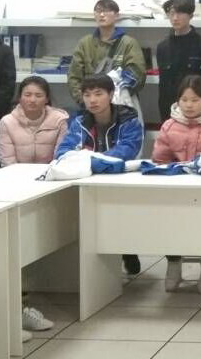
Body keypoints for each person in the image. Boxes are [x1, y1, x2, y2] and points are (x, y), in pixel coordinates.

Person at [57, 74, 144, 275]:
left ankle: (127, 250)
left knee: (119, 218)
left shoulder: (129, 120)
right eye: (87, 95)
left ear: (111, 94)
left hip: (120, 182)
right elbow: (63, 152)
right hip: (88, 182)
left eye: (98, 94)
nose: (92, 100)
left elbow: (126, 151)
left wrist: (88, 160)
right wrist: (96, 162)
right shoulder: (79, 122)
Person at [152, 75, 201, 293]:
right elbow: (159, 159)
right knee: (169, 221)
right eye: (184, 100)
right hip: (176, 189)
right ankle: (173, 264)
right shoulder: (169, 125)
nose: (189, 105)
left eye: (195, 100)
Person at [66, 0, 146, 109]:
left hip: (120, 104)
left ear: (117, 15)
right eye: (98, 11)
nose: (102, 14)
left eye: (107, 11)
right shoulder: (85, 43)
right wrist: (84, 100)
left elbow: (137, 75)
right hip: (91, 105)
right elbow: (74, 77)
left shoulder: (128, 43)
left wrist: (112, 98)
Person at [156, 0, 201, 121]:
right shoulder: (162, 47)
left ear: (191, 15)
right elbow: (163, 85)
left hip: (196, 111)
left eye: (180, 13)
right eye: (171, 13)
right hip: (169, 110)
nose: (175, 18)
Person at [0, 76, 69, 166]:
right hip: (16, 172)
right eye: (27, 95)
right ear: (19, 98)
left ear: (47, 99)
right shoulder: (7, 122)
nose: (32, 100)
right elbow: (7, 160)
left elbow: (60, 157)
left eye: (38, 96)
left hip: (51, 171)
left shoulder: (59, 120)